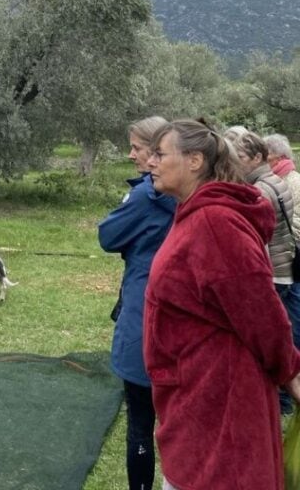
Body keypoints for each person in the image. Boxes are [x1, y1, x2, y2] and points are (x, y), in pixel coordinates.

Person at [144, 119, 300, 490]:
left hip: (218, 403)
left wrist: (291, 374)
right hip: (196, 397)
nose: (150, 161)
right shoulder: (197, 214)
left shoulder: (215, 223)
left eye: (160, 154)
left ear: (195, 160)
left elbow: (263, 315)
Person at [98, 117, 175, 490]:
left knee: (141, 423)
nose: (131, 155)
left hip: (144, 316)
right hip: (178, 322)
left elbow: (108, 235)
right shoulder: (191, 193)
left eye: (137, 148)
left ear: (157, 152)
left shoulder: (147, 195)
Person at [231, 128, 300, 412]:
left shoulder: (260, 190)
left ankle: (279, 398)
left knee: (273, 334)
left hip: (275, 271)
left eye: (241, 157)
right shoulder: (275, 180)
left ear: (257, 157)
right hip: (284, 266)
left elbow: (258, 236)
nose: (237, 163)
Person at [264, 132, 300, 241]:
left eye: (266, 157)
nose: (262, 161)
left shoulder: (295, 181)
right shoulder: (268, 180)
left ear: (279, 158)